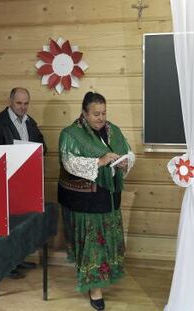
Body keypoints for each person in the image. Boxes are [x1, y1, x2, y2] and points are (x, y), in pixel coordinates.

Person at [58, 91, 135, 310]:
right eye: (96, 114)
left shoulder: (113, 131)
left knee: (106, 241)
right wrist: (100, 161)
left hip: (109, 198)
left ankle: (103, 278)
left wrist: (124, 162)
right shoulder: (71, 134)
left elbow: (129, 153)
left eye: (103, 113)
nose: (101, 118)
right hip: (86, 201)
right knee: (93, 243)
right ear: (84, 113)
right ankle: (95, 290)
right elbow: (69, 162)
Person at [0, 87, 47, 279]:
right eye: (19, 103)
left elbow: (43, 147)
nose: (23, 107)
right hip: (6, 183)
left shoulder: (31, 122)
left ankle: (18, 259)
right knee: (7, 225)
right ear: (10, 101)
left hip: (26, 183)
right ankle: (7, 264)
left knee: (20, 224)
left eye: (26, 103)